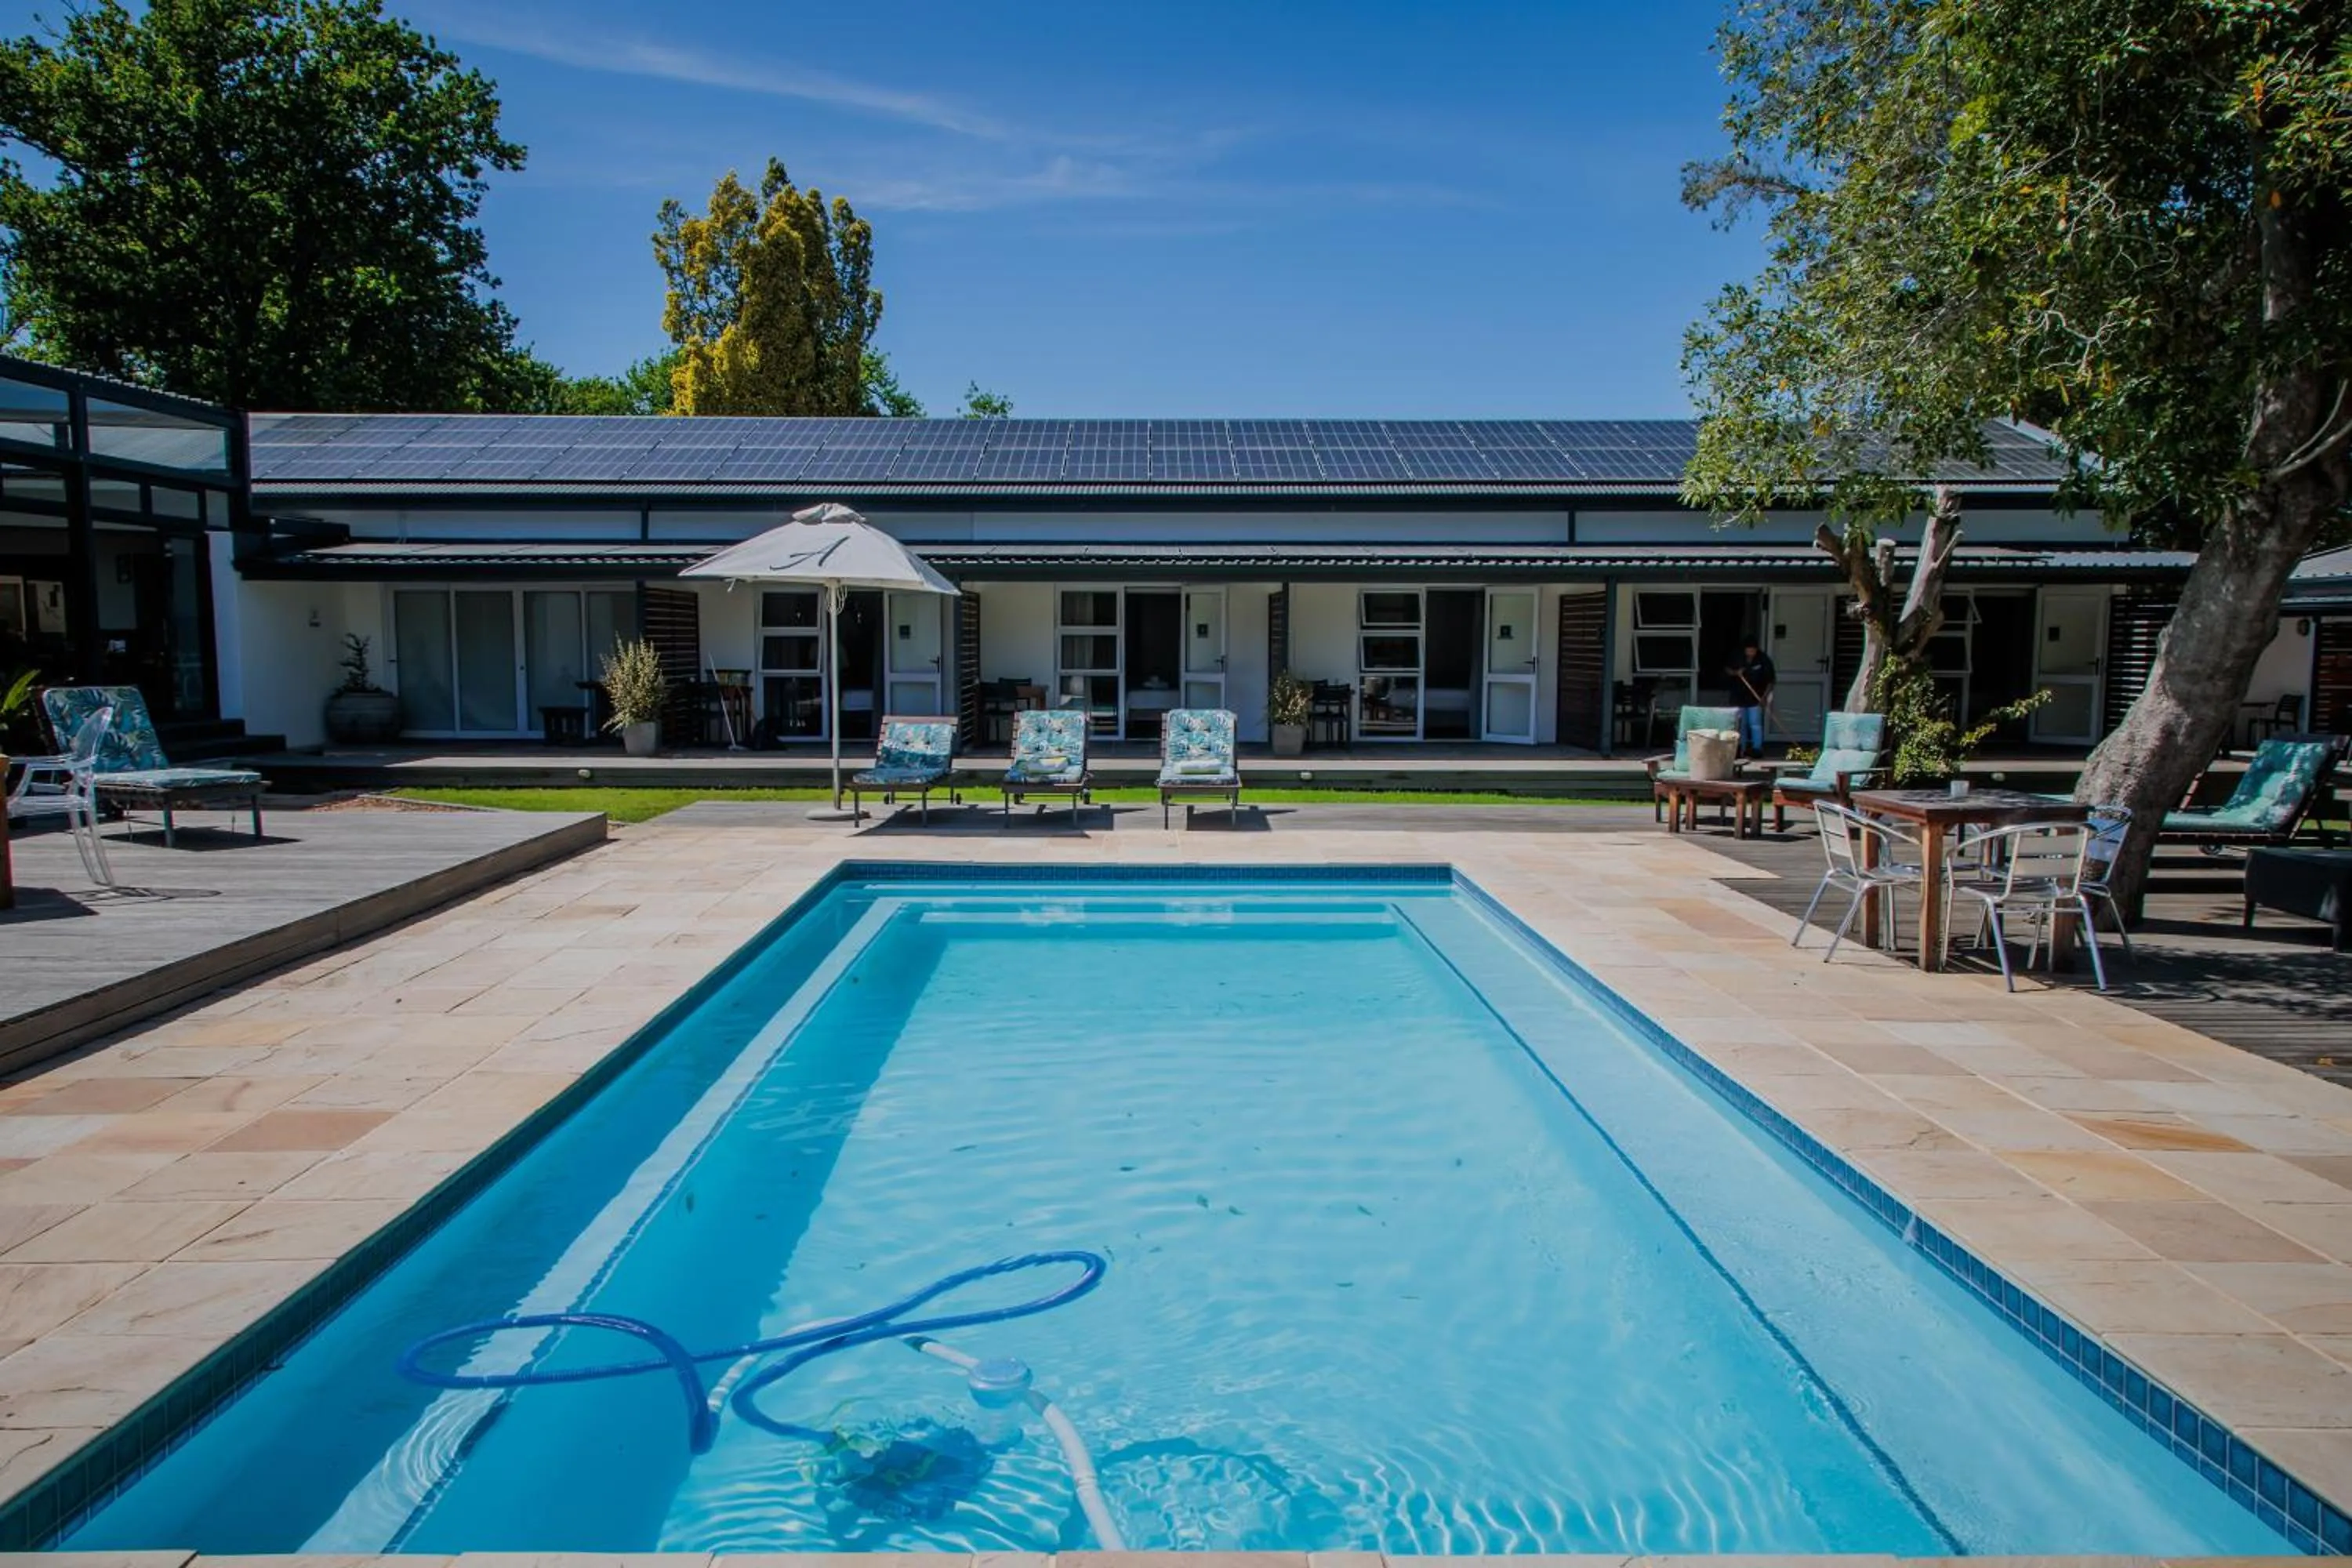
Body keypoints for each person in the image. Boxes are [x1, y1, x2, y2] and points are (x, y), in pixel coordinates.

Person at [1726, 636, 1776, 755]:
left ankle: (1757, 748)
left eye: (1753, 651)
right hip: (1739, 696)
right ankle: (1741, 749)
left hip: (1756, 697)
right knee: (1741, 724)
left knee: (1755, 724)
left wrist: (1764, 697)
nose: (1751, 653)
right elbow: (1727, 670)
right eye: (1748, 651)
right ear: (1744, 650)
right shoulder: (1737, 657)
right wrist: (1736, 673)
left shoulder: (1763, 660)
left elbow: (1771, 681)